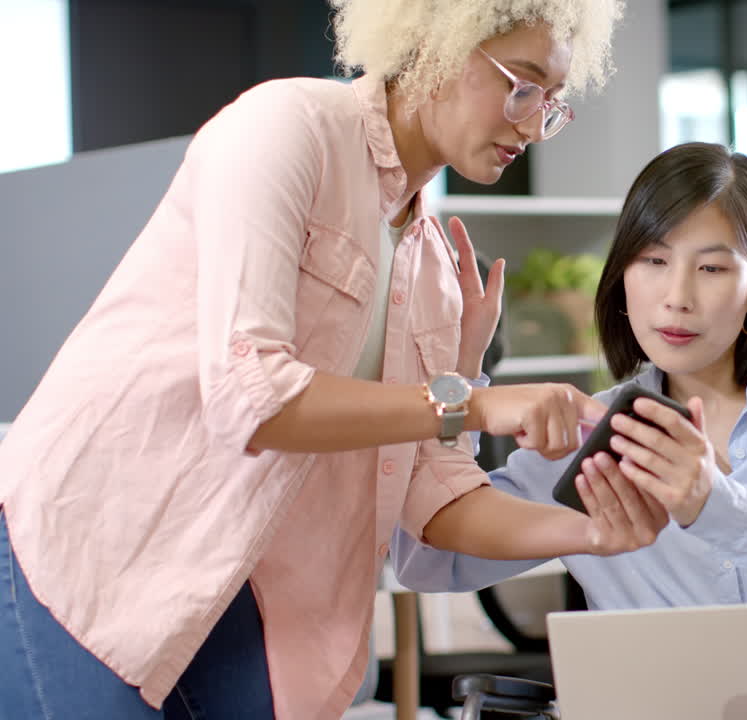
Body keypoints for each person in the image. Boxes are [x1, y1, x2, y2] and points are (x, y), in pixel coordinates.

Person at [0, 2, 672, 719]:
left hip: (240, 591)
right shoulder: (285, 129)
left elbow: (433, 490)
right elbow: (250, 393)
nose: (533, 124)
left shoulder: (440, 270)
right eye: (524, 86)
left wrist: (590, 535)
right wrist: (475, 402)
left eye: (554, 105)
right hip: (95, 546)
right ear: (436, 46)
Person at [392, 142, 747, 702]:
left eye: (710, 268)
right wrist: (462, 379)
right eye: (654, 261)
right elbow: (428, 560)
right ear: (624, 276)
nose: (677, 297)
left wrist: (715, 503)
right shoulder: (593, 434)